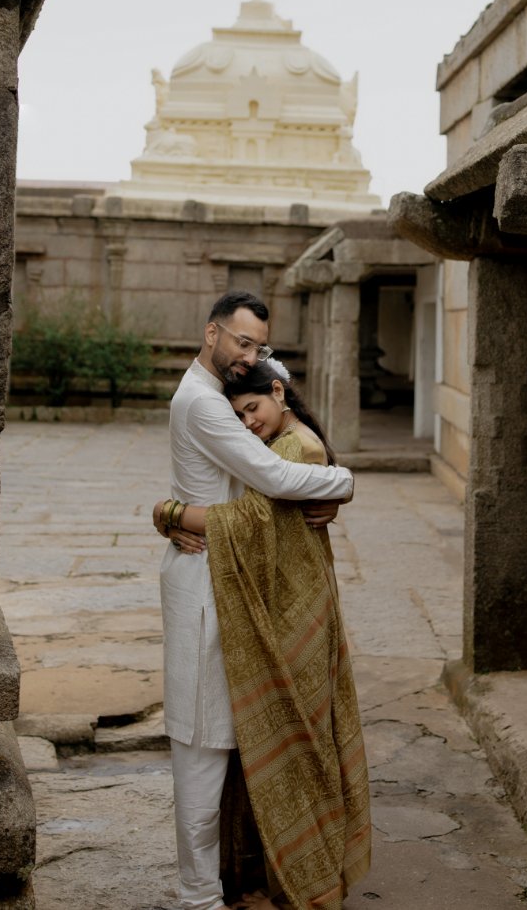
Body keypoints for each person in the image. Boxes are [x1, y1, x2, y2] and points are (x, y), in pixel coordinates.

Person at [156, 292, 356, 910]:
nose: (249, 355)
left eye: (258, 347)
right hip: (203, 580)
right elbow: (271, 481)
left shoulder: (228, 391)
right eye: (240, 342)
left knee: (228, 730)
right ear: (211, 332)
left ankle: (232, 879)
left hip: (230, 577)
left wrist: (167, 511)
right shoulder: (201, 403)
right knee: (200, 740)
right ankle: (197, 897)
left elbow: (278, 397)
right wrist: (345, 482)